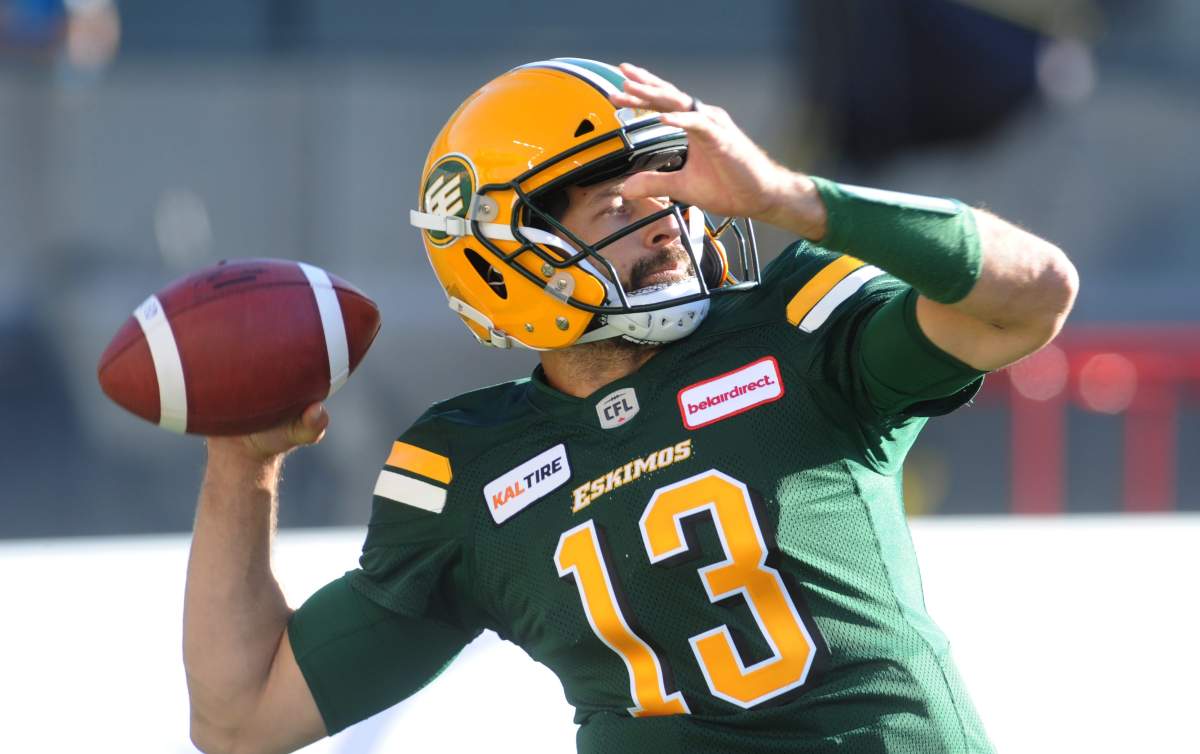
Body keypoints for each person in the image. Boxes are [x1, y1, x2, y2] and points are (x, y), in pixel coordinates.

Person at [184, 59, 1077, 754]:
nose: (666, 223)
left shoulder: (796, 331)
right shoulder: (467, 472)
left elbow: (1033, 298)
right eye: (618, 204)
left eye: (667, 191)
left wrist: (791, 198)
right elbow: (240, 721)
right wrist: (241, 462)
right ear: (504, 255)